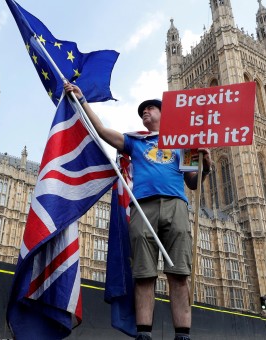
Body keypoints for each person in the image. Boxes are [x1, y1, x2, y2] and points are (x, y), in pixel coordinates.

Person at [65, 83, 212, 340]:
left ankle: (183, 335)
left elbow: (193, 183)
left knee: (179, 275)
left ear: (163, 114)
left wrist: (206, 166)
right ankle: (143, 334)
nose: (145, 112)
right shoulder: (136, 141)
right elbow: (101, 131)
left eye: (150, 108)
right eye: (142, 110)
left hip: (176, 204)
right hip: (143, 207)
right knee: (144, 275)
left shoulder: (184, 144)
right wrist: (82, 99)